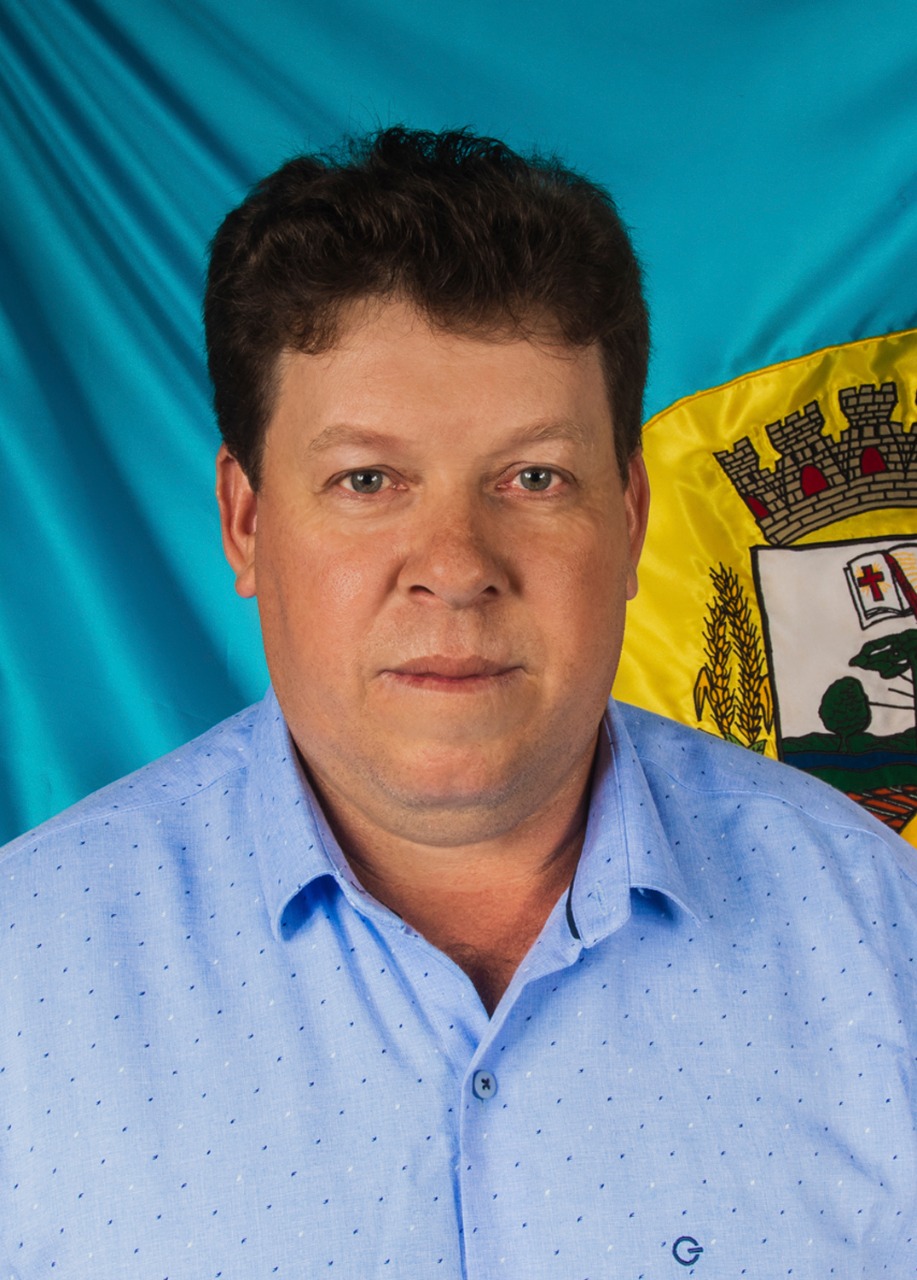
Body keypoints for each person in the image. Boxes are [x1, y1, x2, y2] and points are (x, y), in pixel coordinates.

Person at [2, 127, 915, 1278]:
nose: (454, 564)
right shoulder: (24, 972)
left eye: (532, 476)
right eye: (366, 479)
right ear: (245, 521)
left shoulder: (882, 938)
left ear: (629, 517)